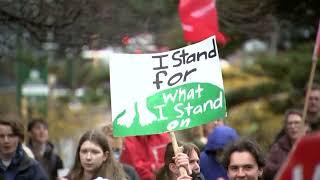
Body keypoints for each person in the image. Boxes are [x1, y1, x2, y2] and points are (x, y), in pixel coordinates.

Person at [61, 129, 127, 180]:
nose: (88, 157)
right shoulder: (68, 178)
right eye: (84, 151)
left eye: (95, 152)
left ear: (105, 156)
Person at [0, 113, 48, 180]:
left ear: (20, 138)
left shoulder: (33, 168)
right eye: (1, 136)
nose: (6, 141)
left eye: (11, 136)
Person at [264, 108, 306, 179]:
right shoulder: (277, 147)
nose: (293, 126)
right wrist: (288, 167)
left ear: (304, 126)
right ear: (286, 127)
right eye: (290, 123)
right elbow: (267, 168)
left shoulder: (312, 144)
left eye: (297, 123)